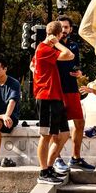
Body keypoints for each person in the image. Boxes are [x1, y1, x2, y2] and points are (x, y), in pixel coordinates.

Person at [31, 19, 75, 184]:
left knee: (63, 134)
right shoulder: (44, 49)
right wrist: (57, 43)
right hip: (46, 97)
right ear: (56, 35)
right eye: (61, 34)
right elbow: (69, 55)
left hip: (55, 97)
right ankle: (43, 172)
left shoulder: (45, 49)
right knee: (46, 135)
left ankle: (49, 167)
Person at [53, 16, 95, 174]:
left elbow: (76, 66)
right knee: (57, 126)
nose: (64, 30)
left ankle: (75, 158)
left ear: (71, 29)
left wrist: (79, 73)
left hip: (71, 88)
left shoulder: (74, 46)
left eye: (66, 27)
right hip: (56, 90)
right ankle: (56, 158)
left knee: (80, 123)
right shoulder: (51, 46)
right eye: (61, 27)